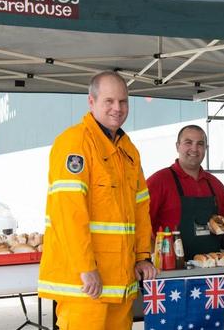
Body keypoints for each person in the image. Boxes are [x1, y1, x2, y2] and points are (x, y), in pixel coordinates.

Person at [38, 71, 156, 330]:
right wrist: (85, 267)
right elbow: (67, 214)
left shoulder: (128, 150)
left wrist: (142, 256)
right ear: (91, 102)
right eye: (109, 101)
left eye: (123, 101)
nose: (118, 108)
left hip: (120, 282)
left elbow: (140, 208)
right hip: (86, 285)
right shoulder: (75, 143)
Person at [146, 125, 224, 260]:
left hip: (211, 267)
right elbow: (141, 225)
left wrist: (222, 223)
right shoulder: (158, 181)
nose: (194, 149)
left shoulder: (215, 184)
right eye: (188, 142)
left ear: (206, 148)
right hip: (171, 270)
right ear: (177, 146)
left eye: (200, 144)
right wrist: (154, 258)